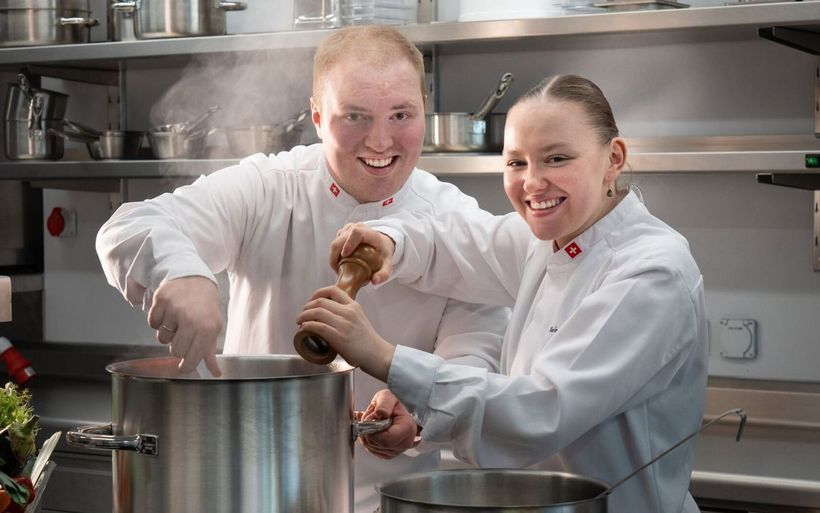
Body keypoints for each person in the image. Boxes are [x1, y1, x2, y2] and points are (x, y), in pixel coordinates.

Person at [95, 25, 509, 513]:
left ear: (424, 108)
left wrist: (420, 413)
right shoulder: (269, 187)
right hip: (254, 492)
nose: (380, 140)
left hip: (391, 500)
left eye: (401, 115)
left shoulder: (457, 220)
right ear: (316, 116)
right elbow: (129, 226)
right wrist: (182, 272)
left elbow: (476, 351)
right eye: (354, 116)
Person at [297, 74, 709, 513]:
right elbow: (454, 245)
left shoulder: (652, 272)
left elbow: (540, 413)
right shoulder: (550, 241)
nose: (532, 182)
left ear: (614, 158)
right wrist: (388, 243)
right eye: (516, 162)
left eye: (556, 159)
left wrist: (383, 357)